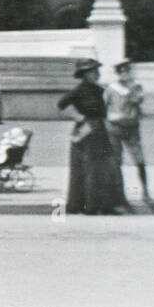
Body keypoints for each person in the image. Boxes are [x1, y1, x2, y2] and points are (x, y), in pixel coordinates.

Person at [57, 58, 131, 215]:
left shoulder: (100, 90)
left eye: (96, 71)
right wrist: (79, 117)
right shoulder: (79, 90)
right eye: (92, 71)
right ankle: (88, 205)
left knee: (104, 168)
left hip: (101, 130)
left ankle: (103, 205)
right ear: (84, 74)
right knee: (89, 168)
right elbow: (61, 106)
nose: (96, 74)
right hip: (86, 131)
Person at [104, 59, 154, 210]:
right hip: (114, 126)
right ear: (119, 73)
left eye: (128, 70)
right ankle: (119, 195)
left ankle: (145, 191)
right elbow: (105, 105)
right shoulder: (111, 89)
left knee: (139, 160)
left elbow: (137, 99)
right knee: (116, 161)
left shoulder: (136, 87)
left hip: (131, 126)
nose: (127, 74)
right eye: (123, 71)